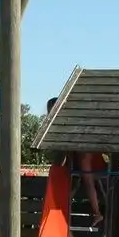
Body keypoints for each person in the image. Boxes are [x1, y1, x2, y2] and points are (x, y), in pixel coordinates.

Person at [46, 96, 106, 228]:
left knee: (88, 181)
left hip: (92, 165)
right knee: (82, 179)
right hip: (84, 163)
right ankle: (95, 212)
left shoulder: (80, 139)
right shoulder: (73, 128)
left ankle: (97, 213)